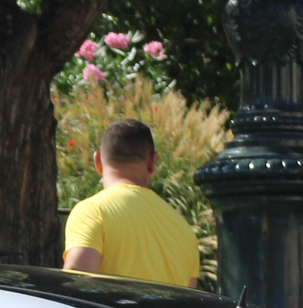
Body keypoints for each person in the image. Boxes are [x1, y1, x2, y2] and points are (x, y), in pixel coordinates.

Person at [61, 117, 200, 288]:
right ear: (152, 162)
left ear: (98, 161)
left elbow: (77, 286)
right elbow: (191, 303)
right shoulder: (184, 229)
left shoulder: (92, 211)